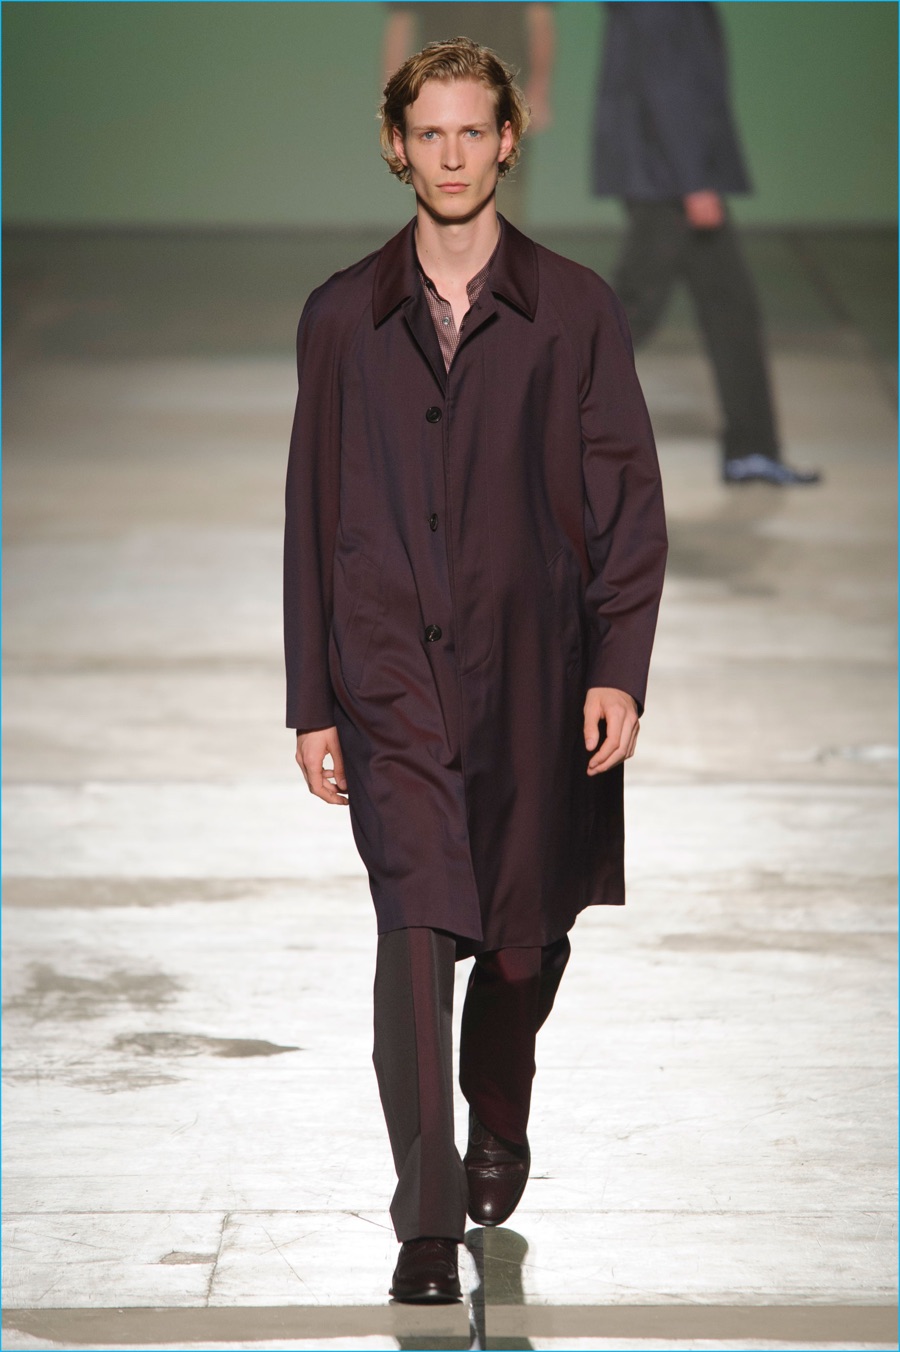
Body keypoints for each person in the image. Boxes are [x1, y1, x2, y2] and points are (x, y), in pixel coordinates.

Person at [284, 37, 667, 1304]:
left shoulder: (575, 309)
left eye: (471, 132)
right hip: (389, 669)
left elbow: (627, 500)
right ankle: (426, 1219)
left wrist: (617, 666)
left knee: (519, 943)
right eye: (427, 133)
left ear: (508, 141)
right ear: (396, 147)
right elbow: (311, 509)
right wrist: (311, 699)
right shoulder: (343, 316)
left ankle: (499, 1103)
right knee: (411, 929)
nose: (450, 156)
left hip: (535, 669)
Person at [592, 1, 820, 485]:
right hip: (669, 181)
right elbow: (667, 84)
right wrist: (693, 181)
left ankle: (752, 450)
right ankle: (510, 426)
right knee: (628, 316)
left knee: (730, 308)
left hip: (668, 174)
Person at [382, 3, 556, 227]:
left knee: (503, 188)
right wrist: (395, 98)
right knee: (437, 190)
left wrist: (539, 89)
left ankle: (497, 245)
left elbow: (539, 16)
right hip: (437, 88)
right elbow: (401, 21)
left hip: (503, 86)